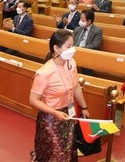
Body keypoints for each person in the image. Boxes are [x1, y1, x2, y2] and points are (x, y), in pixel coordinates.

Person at [29, 29, 91, 161]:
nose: (73, 49)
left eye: (73, 45)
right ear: (56, 48)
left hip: (69, 113)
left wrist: (84, 107)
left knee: (68, 149)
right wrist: (55, 113)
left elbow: (76, 87)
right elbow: (33, 100)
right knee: (56, 153)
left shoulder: (71, 63)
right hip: (51, 118)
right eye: (69, 46)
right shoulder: (44, 73)